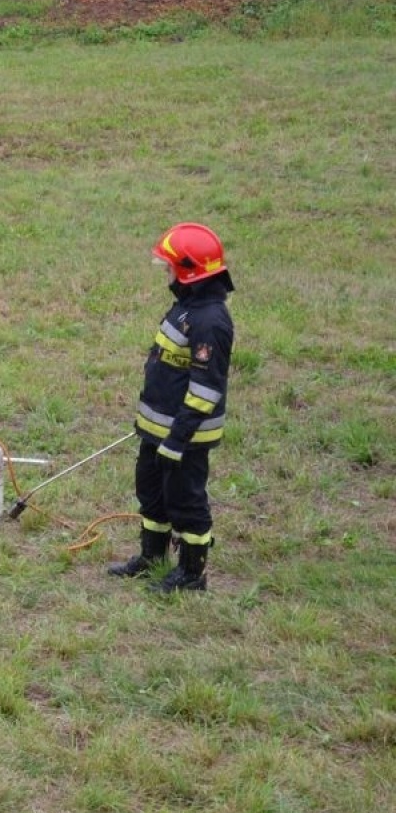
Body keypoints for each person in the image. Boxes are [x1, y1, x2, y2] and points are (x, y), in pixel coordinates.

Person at [109, 222, 235, 592]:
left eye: (170, 267)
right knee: (150, 492)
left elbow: (205, 390)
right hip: (159, 429)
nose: (166, 273)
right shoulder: (187, 307)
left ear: (188, 271)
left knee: (185, 501)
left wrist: (177, 441)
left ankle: (192, 573)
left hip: (186, 436)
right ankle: (152, 557)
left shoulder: (210, 322)